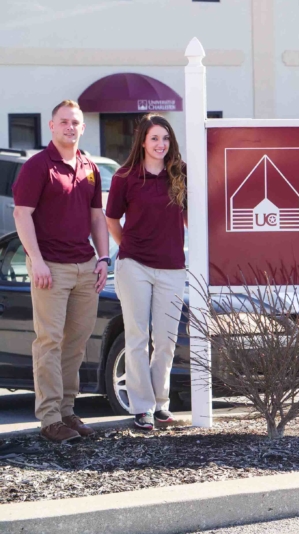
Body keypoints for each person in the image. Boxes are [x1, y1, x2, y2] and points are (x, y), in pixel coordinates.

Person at [12, 100, 109, 443]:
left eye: (75, 122)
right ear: (52, 126)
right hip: (50, 267)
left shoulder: (89, 167)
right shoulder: (38, 166)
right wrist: (36, 260)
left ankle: (67, 412)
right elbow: (21, 214)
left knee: (76, 344)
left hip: (85, 266)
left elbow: (97, 217)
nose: (70, 127)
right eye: (64, 121)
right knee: (49, 342)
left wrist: (103, 258)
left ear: (83, 127)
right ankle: (50, 419)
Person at [105, 114, 187, 431]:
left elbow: (190, 218)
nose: (160, 144)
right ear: (142, 141)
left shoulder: (179, 174)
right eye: (154, 138)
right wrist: (129, 247)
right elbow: (112, 219)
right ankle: (143, 408)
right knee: (137, 336)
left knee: (165, 339)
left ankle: (161, 403)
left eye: (165, 138)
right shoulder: (125, 177)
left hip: (172, 268)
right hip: (134, 266)